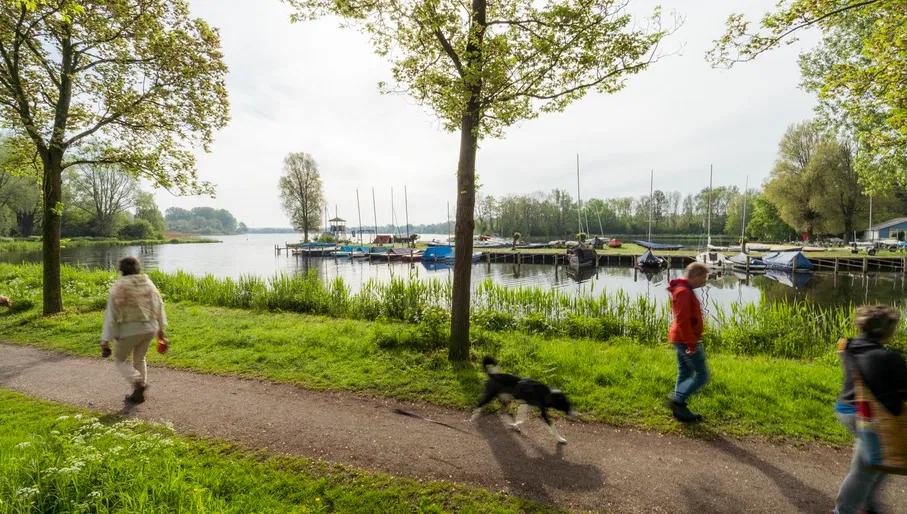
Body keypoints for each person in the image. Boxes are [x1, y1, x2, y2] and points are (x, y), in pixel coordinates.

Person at [834, 305, 907, 514]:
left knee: (881, 460)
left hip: (846, 408)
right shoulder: (889, 358)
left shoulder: (849, 346)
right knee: (867, 467)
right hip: (869, 418)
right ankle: (844, 510)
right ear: (886, 331)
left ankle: (868, 504)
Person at [100, 256, 167, 404]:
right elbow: (159, 305)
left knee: (120, 360)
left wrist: (105, 340)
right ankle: (139, 394)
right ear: (138, 268)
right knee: (140, 358)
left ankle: (138, 383)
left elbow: (111, 315)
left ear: (121, 270)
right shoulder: (148, 283)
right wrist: (161, 331)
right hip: (150, 328)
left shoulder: (119, 287)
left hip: (129, 330)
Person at [666, 262, 710, 423]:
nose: (704, 282)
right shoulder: (684, 292)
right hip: (686, 339)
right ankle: (677, 400)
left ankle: (679, 410)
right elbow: (683, 321)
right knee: (702, 375)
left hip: (682, 338)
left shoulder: (684, 290)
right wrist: (691, 344)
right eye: (702, 278)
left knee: (684, 372)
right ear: (694, 276)